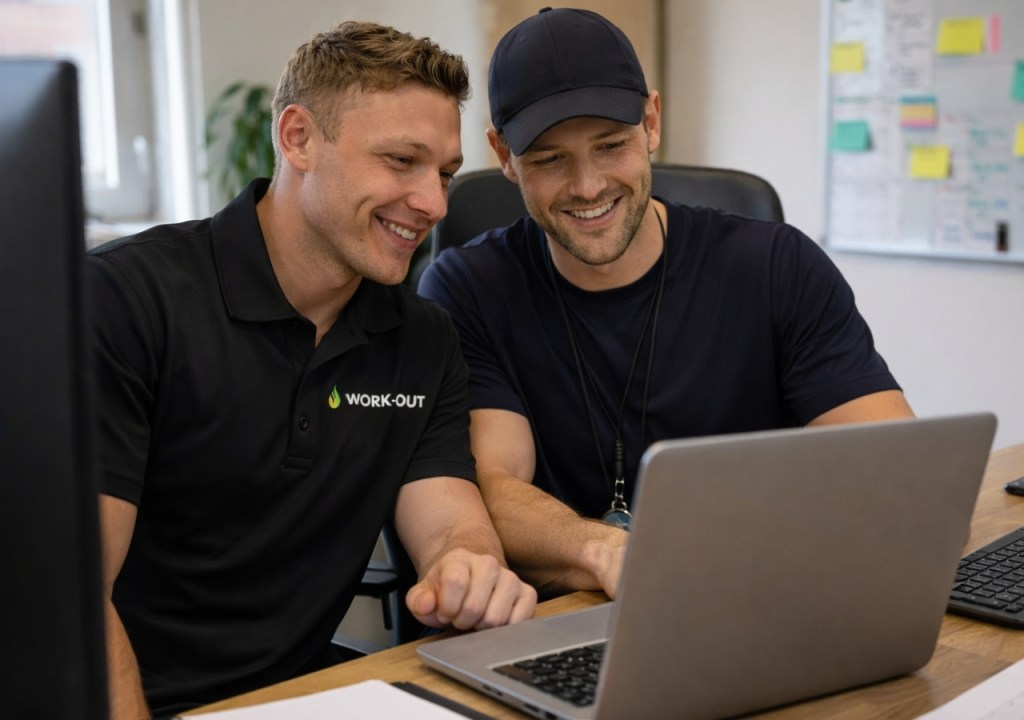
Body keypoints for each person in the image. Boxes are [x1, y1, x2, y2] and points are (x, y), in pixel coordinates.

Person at [90, 21, 536, 719]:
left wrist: (468, 566)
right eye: (401, 161)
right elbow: (72, 591)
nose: (435, 204)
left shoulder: (423, 337)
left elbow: (450, 520)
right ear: (297, 138)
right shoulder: (123, 300)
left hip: (299, 698)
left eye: (445, 173)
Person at [418, 8, 914, 601]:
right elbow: (491, 486)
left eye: (611, 145)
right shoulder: (468, 288)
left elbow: (893, 469)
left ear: (651, 123)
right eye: (550, 159)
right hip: (568, 619)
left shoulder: (779, 266)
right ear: (503, 154)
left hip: (761, 591)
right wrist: (607, 551)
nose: (588, 186)